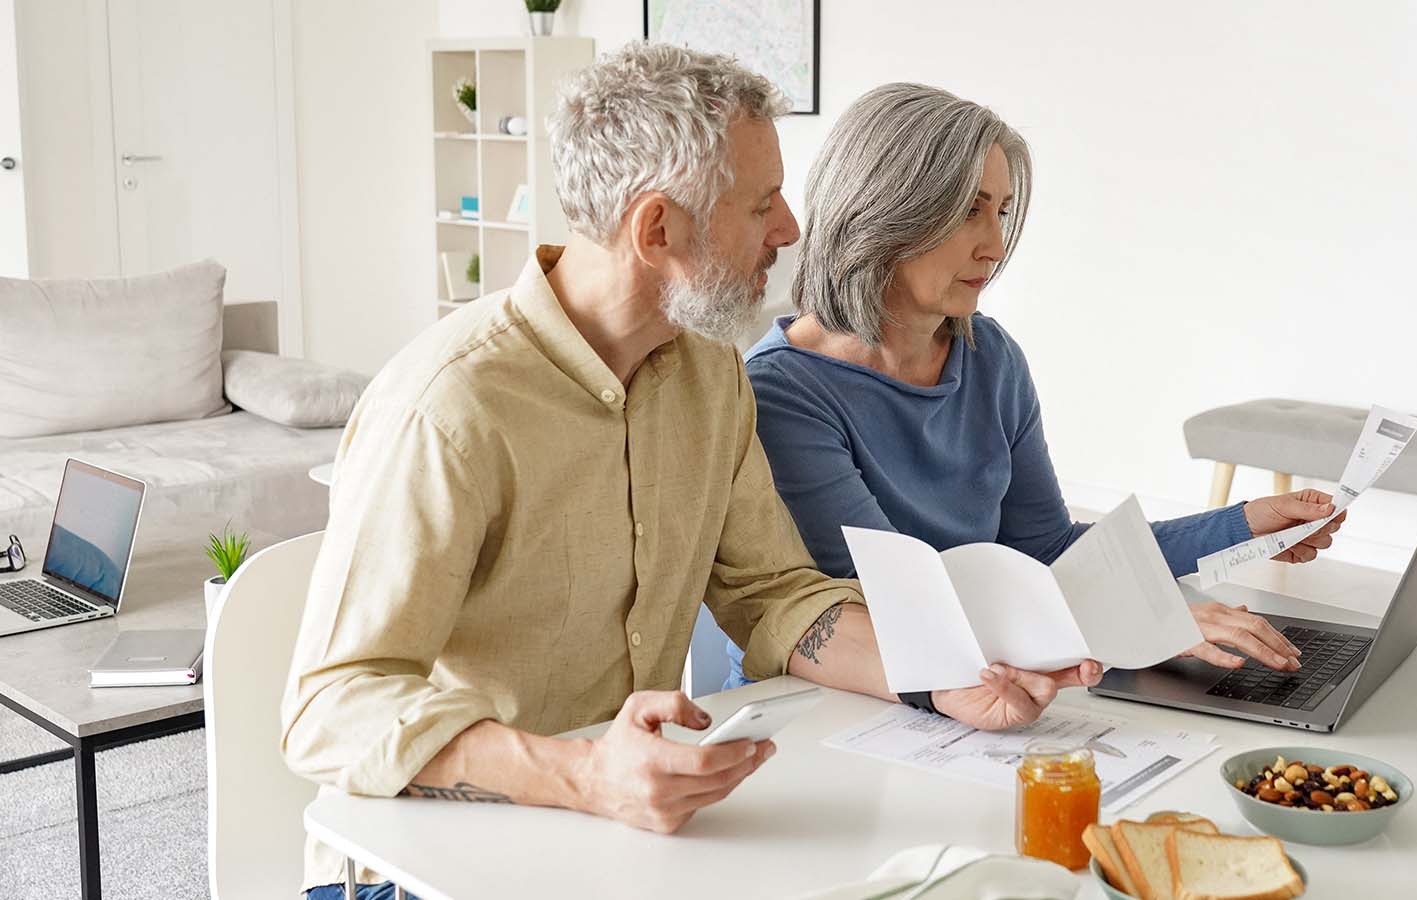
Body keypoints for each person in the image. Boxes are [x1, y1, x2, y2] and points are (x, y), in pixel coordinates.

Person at [282, 48, 1098, 899]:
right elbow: (329, 711)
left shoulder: (712, 375)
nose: (790, 228)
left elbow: (776, 593)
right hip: (419, 864)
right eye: (760, 204)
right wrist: (585, 775)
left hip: (618, 837)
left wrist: (940, 677)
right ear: (657, 230)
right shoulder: (449, 409)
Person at [724, 83, 1344, 689]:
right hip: (825, 701)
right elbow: (907, 601)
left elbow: (1046, 549)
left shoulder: (988, 355)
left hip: (975, 683)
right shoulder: (784, 392)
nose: (994, 245)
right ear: (883, 209)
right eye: (969, 209)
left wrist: (1242, 526)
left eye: (1000, 210)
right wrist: (1134, 624)